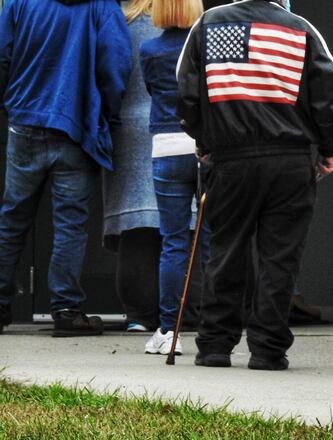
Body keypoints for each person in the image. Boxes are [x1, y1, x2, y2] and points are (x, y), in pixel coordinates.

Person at [177, 0, 333, 370]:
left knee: (226, 248)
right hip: (290, 160)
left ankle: (216, 345)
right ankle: (268, 350)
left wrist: (206, 141)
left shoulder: (208, 25)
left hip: (231, 159)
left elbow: (186, 96)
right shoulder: (301, 28)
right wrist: (328, 148)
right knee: (279, 256)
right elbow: (326, 100)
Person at [0, 0, 131, 336]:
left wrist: (11, 105)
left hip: (25, 121)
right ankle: (67, 310)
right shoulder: (102, 6)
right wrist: (106, 115)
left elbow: (3, 54)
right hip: (77, 127)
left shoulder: (18, 2)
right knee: (70, 224)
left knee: (12, 219)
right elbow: (115, 63)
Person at [140, 0, 205, 355]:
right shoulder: (206, 45)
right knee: (209, 240)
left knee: (173, 241)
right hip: (204, 148)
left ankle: (168, 331)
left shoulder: (150, 50)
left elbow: (153, 90)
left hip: (165, 146)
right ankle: (212, 326)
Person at [105, 0, 163, 334]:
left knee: (135, 224)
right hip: (172, 128)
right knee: (177, 227)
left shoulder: (117, 20)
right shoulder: (178, 21)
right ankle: (177, 310)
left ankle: (139, 315)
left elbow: (106, 75)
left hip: (126, 128)